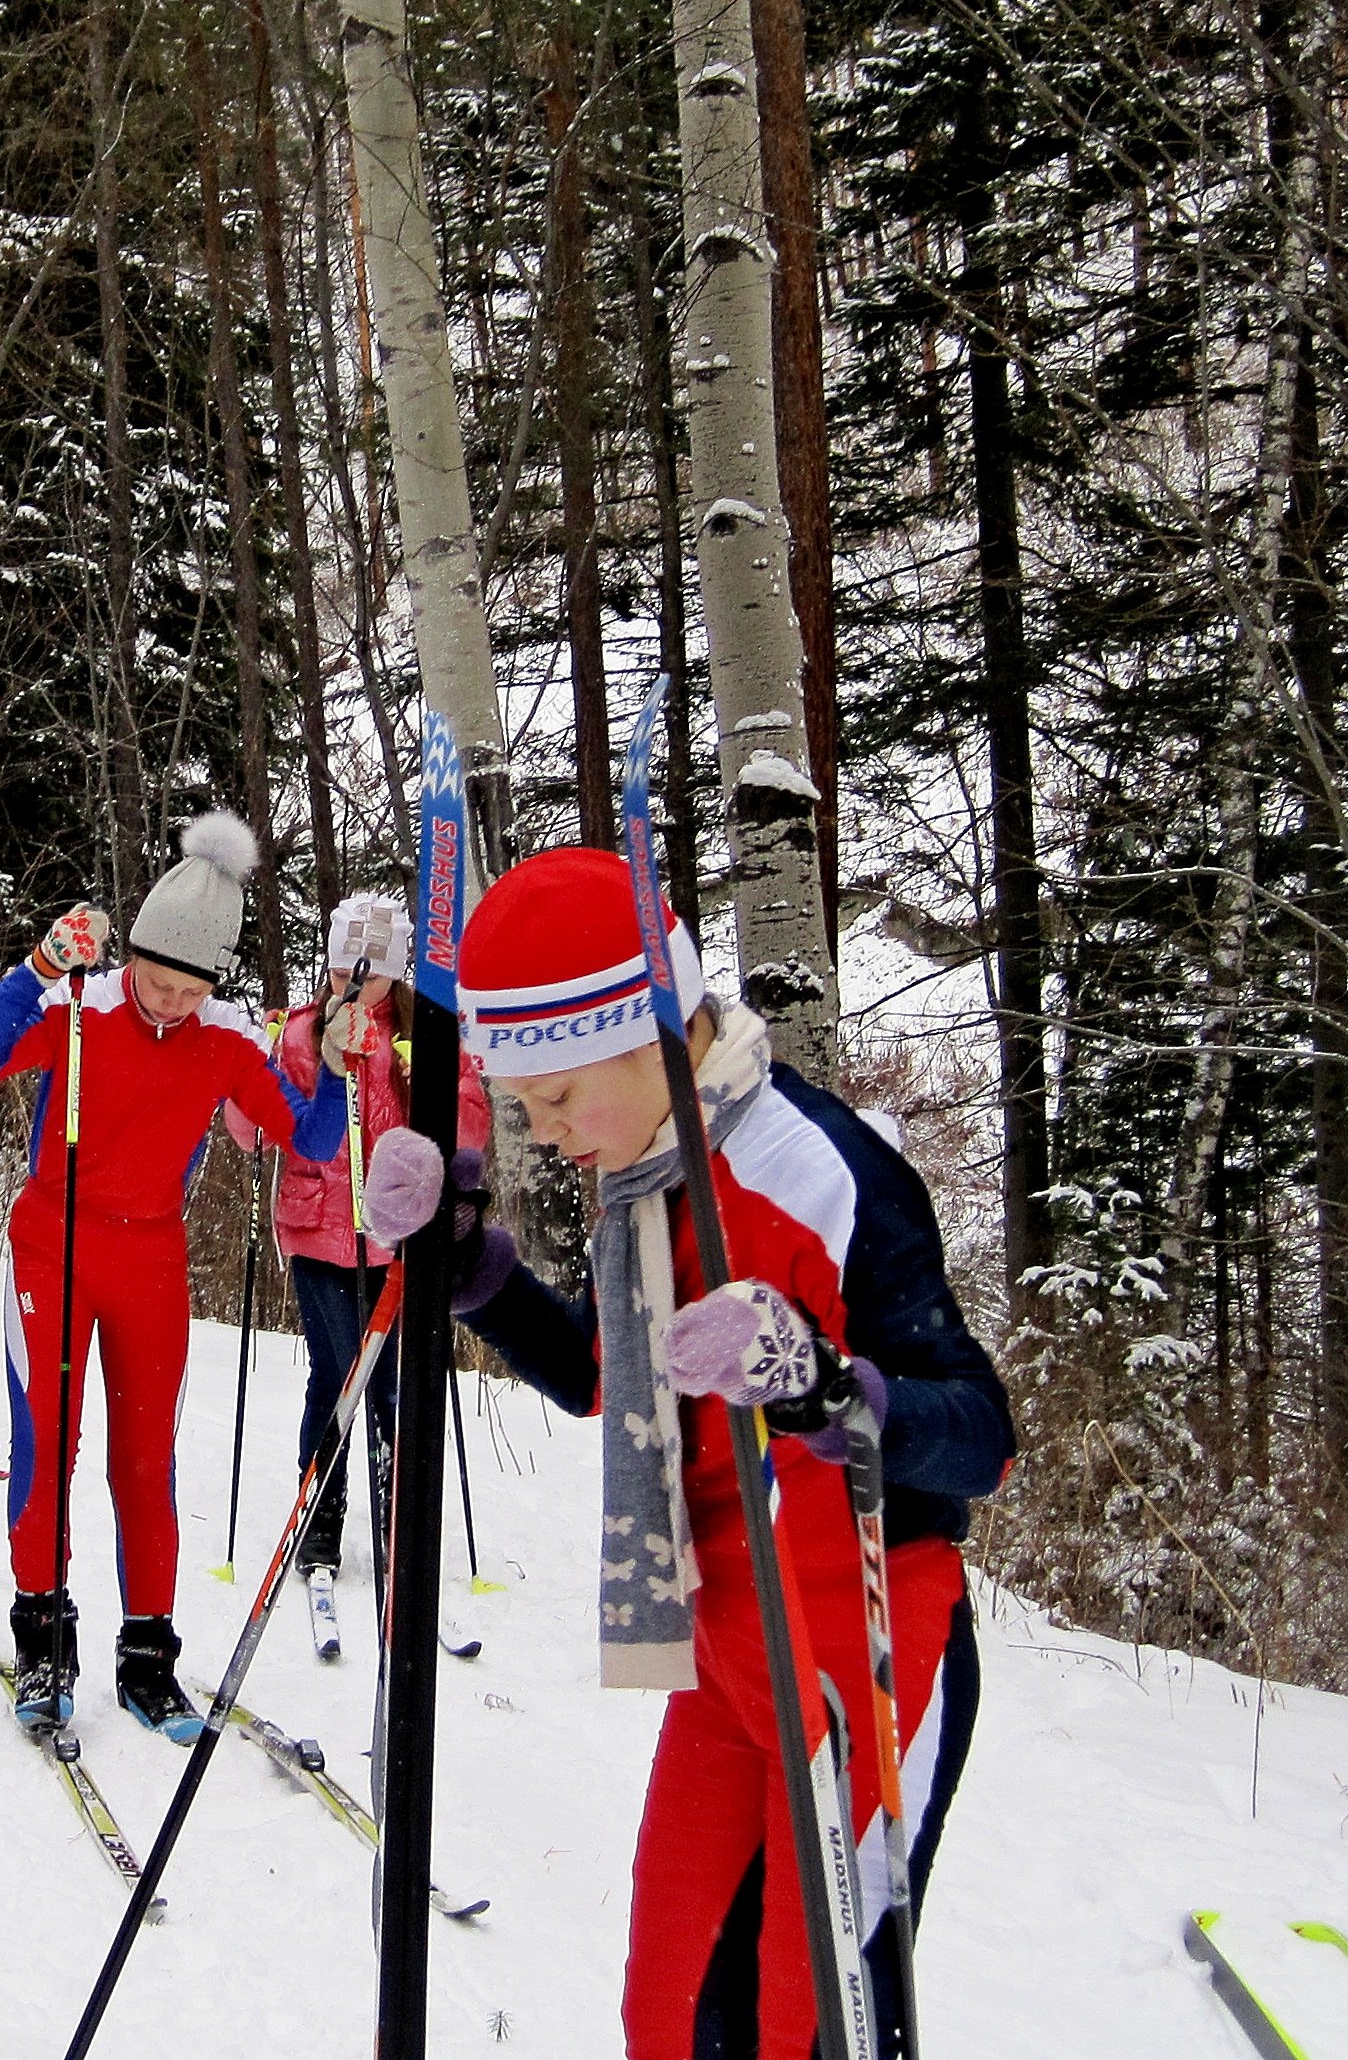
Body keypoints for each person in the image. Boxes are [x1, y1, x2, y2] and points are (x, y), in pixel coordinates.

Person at [371, 847, 1010, 2060]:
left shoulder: (819, 1171)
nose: (547, 1135)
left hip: (863, 1660)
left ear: (649, 1032)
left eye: (558, 1099)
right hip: (728, 1651)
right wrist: (475, 1275)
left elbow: (980, 1438)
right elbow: (612, 1390)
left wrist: (832, 1388)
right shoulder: (641, 1174)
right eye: (524, 1109)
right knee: (664, 2019)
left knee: (800, 2027)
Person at [0, 813, 351, 1743]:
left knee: (145, 1461)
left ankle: (147, 1655)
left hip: (150, 1259)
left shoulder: (223, 1043)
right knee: (46, 1446)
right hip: (55, 1246)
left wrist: (330, 1068)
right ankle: (43, 1639)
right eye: (152, 979)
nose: (164, 1001)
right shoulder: (80, 1010)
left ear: (214, 982)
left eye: (186, 986)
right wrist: (38, 970)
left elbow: (317, 1139)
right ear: (129, 956)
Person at [222, 888, 491, 1603]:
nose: (353, 982)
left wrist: (422, 1074)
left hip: (398, 1235)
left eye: (368, 972)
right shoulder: (302, 1031)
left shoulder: (422, 1029)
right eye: (343, 968)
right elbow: (251, 1129)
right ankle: (320, 1514)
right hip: (317, 1228)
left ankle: (397, 1513)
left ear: (395, 973)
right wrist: (249, 1075)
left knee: (395, 1382)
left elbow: (466, 1128)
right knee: (339, 1370)